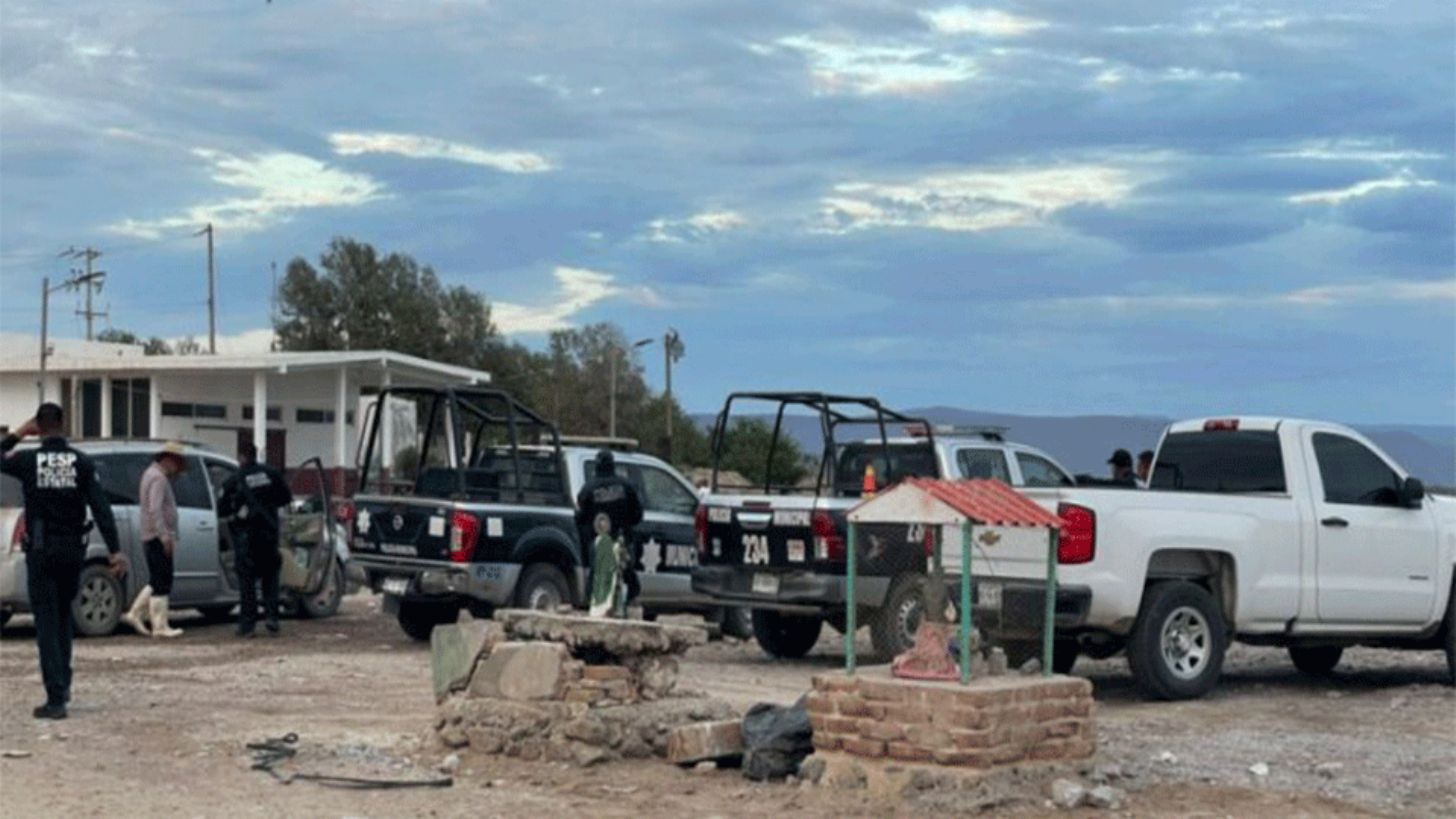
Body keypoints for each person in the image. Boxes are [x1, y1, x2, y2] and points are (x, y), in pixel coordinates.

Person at [1, 403, 127, 719]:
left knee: (46, 622)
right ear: (63, 423)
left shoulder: (28, 460)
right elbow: (101, 507)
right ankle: (64, 683)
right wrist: (114, 549)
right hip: (73, 550)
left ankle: (55, 697)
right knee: (62, 617)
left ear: (38, 427)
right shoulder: (81, 462)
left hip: (41, 550)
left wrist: (18, 433)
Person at [218, 443, 293, 637]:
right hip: (269, 534)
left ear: (241, 456)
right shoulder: (272, 474)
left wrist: (238, 512)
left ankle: (247, 626)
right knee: (271, 578)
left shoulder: (235, 479)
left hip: (246, 537)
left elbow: (222, 507)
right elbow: (286, 497)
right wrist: (268, 505)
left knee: (247, 582)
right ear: (255, 454)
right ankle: (272, 618)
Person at [128, 442, 189, 639]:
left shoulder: (150, 474)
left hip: (151, 534)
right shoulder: (158, 478)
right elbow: (155, 508)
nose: (177, 470)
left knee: (156, 579)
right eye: (177, 464)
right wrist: (165, 536)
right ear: (169, 460)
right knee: (163, 580)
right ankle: (160, 625)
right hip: (156, 536)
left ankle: (136, 612)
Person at [574, 450, 644, 606]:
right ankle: (630, 601)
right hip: (622, 538)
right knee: (627, 573)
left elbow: (579, 518)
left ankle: (591, 603)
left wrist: (588, 537)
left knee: (596, 574)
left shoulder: (588, 489)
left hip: (598, 540)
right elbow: (638, 514)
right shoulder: (626, 486)